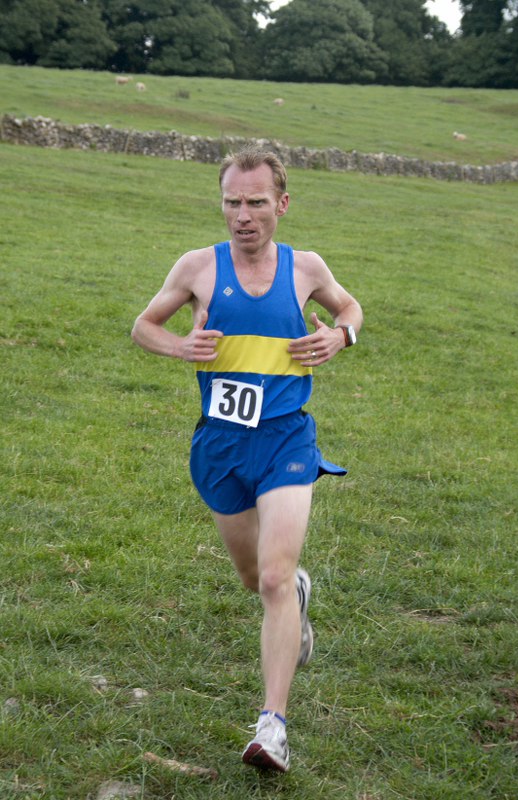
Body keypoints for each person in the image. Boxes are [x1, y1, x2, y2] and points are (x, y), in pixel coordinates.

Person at [131, 147, 363, 772]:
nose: (242, 215)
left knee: (272, 578)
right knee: (255, 578)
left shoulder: (305, 267)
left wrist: (340, 334)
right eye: (232, 202)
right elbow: (143, 326)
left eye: (256, 202)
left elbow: (349, 307)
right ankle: (296, 596)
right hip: (222, 445)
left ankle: (273, 727)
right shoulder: (198, 267)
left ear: (281, 204)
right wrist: (180, 346)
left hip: (287, 439)